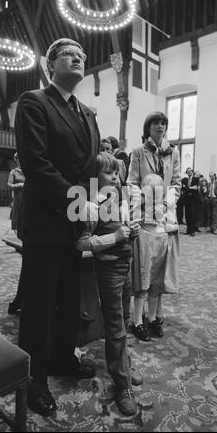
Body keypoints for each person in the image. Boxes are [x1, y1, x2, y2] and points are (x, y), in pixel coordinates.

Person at [15, 38, 100, 417]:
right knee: (38, 302)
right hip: (47, 219)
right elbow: (37, 166)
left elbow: (91, 169)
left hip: (74, 223)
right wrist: (81, 201)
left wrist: (95, 207)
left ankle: (65, 357)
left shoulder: (88, 113)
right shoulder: (35, 101)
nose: (78, 58)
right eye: (69, 54)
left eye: (81, 55)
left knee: (69, 297)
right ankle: (34, 378)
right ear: (51, 65)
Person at [76, 152, 141, 415]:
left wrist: (130, 230)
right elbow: (81, 243)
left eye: (117, 172)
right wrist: (115, 237)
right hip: (110, 268)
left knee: (124, 319)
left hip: (126, 266)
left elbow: (121, 228)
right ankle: (121, 382)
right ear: (94, 177)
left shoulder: (115, 198)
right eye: (109, 173)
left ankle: (124, 364)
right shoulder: (89, 204)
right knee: (114, 327)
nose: (116, 177)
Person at [127, 111, 181, 341]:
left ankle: (153, 319)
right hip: (144, 215)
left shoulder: (173, 153)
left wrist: (166, 202)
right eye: (155, 123)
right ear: (147, 128)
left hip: (165, 217)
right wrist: (146, 202)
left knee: (160, 270)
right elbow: (131, 182)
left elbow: (176, 183)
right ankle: (138, 321)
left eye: (163, 123)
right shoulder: (138, 153)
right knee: (143, 270)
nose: (160, 126)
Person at [7, 152, 25, 233]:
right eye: (18, 158)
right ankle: (17, 232)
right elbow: (9, 184)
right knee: (17, 214)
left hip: (27, 196)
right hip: (18, 196)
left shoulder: (28, 171)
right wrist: (19, 185)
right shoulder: (13, 172)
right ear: (16, 160)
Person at [181, 168, 199, 237]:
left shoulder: (195, 179)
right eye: (187, 172)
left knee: (192, 214)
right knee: (187, 214)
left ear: (192, 172)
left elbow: (196, 187)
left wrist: (188, 188)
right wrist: (189, 188)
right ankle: (188, 230)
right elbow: (183, 188)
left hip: (193, 199)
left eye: (190, 171)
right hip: (186, 199)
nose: (189, 172)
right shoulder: (184, 180)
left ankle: (192, 231)